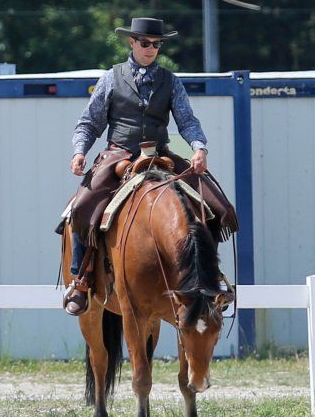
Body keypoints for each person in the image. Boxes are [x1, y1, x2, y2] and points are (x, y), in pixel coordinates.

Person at [63, 16, 210, 316]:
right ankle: (81, 279)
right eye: (145, 43)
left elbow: (187, 121)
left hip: (160, 154)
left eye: (156, 44)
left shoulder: (171, 81)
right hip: (119, 154)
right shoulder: (110, 78)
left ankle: (210, 278)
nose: (151, 49)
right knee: (82, 205)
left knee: (212, 204)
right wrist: (80, 152)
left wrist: (199, 148)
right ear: (132, 42)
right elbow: (90, 123)